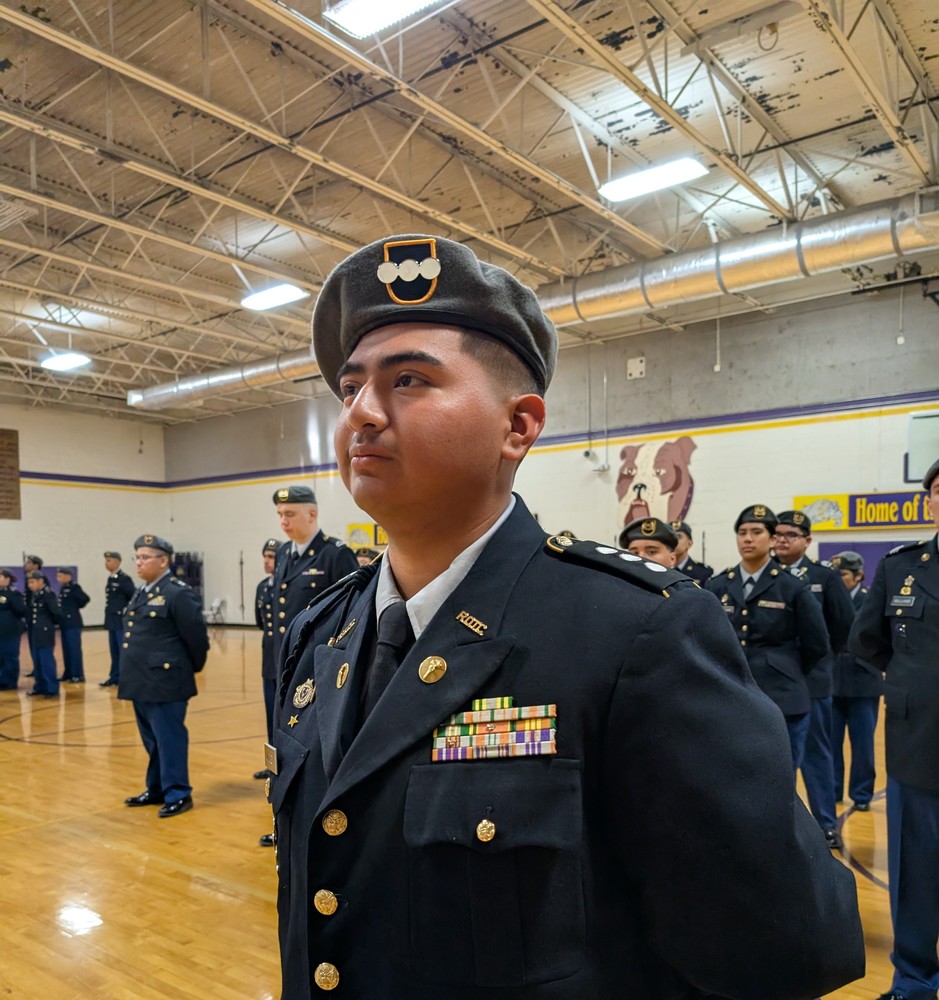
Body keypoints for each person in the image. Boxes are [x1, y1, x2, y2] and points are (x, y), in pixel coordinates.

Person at [267, 234, 863, 1000]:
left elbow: (782, 945)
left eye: (409, 380)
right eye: (349, 389)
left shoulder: (635, 632)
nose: (363, 415)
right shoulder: (323, 632)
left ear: (518, 426)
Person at [849, 456, 939, 1000]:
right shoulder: (904, 566)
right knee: (916, 871)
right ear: (929, 499)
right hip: (918, 742)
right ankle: (914, 980)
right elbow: (867, 641)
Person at [707, 505, 831, 773]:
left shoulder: (792, 587)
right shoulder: (717, 586)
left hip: (782, 697)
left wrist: (786, 669)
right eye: (742, 532)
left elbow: (817, 643)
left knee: (779, 778)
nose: (748, 539)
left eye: (756, 532)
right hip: (730, 694)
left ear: (773, 540)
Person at [774, 509, 856, 850]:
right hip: (774, 684)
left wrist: (820, 665)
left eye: (791, 535)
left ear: (808, 541)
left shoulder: (824, 577)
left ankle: (825, 823)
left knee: (815, 755)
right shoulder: (766, 575)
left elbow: (843, 627)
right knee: (776, 756)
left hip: (812, 682)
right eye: (777, 534)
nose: (782, 539)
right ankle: (779, 823)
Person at [120, 534, 209, 818]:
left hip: (166, 681)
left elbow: (197, 638)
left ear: (163, 560)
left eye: (145, 557)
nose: (139, 562)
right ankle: (157, 787)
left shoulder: (177, 592)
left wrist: (188, 669)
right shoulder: (142, 591)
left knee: (169, 739)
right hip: (141, 680)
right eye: (137, 557)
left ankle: (178, 793)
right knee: (152, 740)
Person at [270, 484, 358, 669]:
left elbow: (354, 612)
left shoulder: (336, 554)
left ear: (311, 514)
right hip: (284, 656)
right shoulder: (283, 553)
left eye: (290, 514)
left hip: (316, 660)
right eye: (280, 515)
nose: (283, 522)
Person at [831, 550, 881, 811]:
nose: (838, 579)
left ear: (859, 575)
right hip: (833, 681)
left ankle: (861, 795)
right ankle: (834, 790)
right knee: (831, 743)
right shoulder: (827, 600)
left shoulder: (870, 600)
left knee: (862, 746)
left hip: (863, 682)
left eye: (843, 574)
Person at [256, 539, 281, 846]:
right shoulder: (263, 587)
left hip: (289, 661)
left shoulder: (286, 587)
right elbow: (262, 623)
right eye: (265, 556)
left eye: (273, 556)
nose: (268, 561)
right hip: (269, 660)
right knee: (270, 717)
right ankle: (272, 765)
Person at [101, 550, 136, 687]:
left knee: (123, 651)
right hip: (112, 621)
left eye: (109, 560)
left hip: (121, 621)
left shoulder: (124, 579)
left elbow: (133, 597)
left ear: (117, 562)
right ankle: (115, 676)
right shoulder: (111, 578)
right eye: (106, 560)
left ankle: (126, 678)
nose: (106, 563)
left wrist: (126, 613)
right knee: (114, 651)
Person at [25, 570, 61, 698]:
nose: (30, 585)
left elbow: (56, 613)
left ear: (41, 581)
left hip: (45, 632)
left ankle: (51, 688)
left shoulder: (48, 595)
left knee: (46, 661)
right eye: (29, 582)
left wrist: (49, 625)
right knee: (37, 661)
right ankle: (39, 686)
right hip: (35, 632)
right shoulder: (35, 595)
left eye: (32, 582)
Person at [57, 567, 90, 683]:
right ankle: (68, 673)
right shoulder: (63, 588)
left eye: (60, 576)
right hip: (65, 623)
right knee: (66, 650)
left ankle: (77, 674)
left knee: (74, 649)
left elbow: (85, 599)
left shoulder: (74, 587)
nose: (58, 579)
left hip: (73, 623)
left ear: (68, 576)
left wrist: (75, 607)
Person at [0, 568, 26, 690]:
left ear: (7, 579)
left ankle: (9, 682)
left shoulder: (14, 594)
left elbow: (21, 610)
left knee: (9, 657)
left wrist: (9, 599)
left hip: (10, 631)